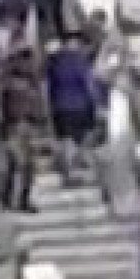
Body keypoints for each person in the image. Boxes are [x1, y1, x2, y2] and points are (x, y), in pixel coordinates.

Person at [45, 33, 102, 180]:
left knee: (66, 139)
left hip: (59, 107)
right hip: (80, 105)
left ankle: (68, 172)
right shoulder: (80, 62)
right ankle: (80, 163)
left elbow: (48, 87)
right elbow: (89, 84)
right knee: (84, 136)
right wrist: (97, 102)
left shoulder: (54, 62)